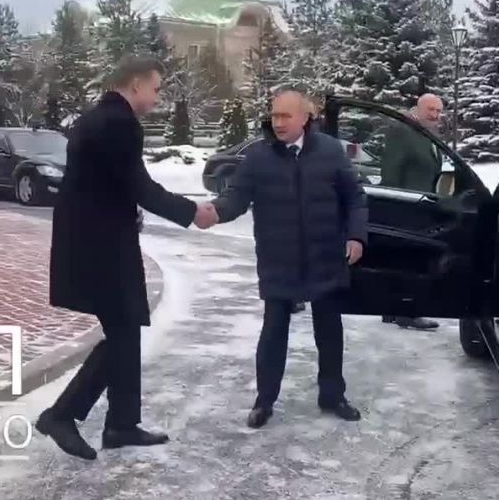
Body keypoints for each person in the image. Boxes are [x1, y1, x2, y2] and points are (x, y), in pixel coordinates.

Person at [36, 55, 217, 461]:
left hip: (90, 239)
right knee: (122, 332)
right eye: (155, 89)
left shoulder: (94, 118)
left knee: (126, 328)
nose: (158, 98)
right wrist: (192, 212)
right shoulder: (120, 123)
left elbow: (107, 183)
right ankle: (62, 414)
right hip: (102, 246)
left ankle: (121, 423)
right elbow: (139, 185)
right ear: (135, 85)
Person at [210, 87, 368, 429]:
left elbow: (354, 198)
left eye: (285, 116)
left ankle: (332, 395)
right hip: (278, 258)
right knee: (273, 332)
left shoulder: (330, 151)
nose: (278, 122)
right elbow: (235, 198)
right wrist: (213, 212)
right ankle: (264, 401)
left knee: (329, 331)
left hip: (325, 255)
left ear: (305, 118)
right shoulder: (258, 157)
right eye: (274, 115)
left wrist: (356, 236)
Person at [378, 93, 445, 331]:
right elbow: (391, 171)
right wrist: (393, 205)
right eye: (431, 110)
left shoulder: (428, 134)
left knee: (404, 259)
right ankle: (406, 312)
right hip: (405, 206)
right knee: (408, 259)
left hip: (422, 206)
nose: (435, 115)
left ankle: (391, 309)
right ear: (418, 108)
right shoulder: (402, 131)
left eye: (438, 111)